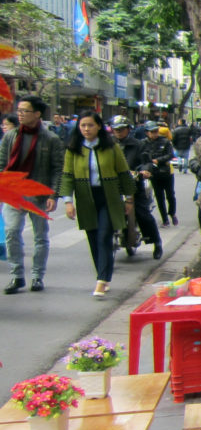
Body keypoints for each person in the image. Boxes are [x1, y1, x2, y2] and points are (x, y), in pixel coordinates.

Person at [59, 111, 135, 298]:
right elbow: (67, 176)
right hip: (86, 198)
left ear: (99, 126)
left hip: (108, 197)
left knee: (103, 237)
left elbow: (124, 172)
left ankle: (102, 280)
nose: (86, 129)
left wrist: (129, 198)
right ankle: (103, 274)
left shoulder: (111, 147)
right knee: (93, 238)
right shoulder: (73, 148)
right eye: (83, 125)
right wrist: (68, 201)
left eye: (90, 125)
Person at [0, 96, 65, 293]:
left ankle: (37, 275)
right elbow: (2, 163)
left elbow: (57, 169)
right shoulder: (10, 137)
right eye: (18, 110)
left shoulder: (51, 139)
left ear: (37, 114)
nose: (20, 114)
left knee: (40, 237)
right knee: (11, 233)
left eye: (24, 111)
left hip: (39, 195)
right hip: (14, 193)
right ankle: (17, 275)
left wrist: (53, 196)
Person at [110, 116, 163, 259]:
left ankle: (156, 242)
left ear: (128, 129)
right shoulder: (108, 145)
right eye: (116, 130)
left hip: (133, 185)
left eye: (121, 129)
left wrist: (144, 170)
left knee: (142, 213)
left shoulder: (139, 145)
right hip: (112, 186)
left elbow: (146, 161)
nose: (118, 132)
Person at [141, 120, 177, 226]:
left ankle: (172, 213)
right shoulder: (143, 143)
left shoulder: (165, 141)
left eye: (156, 131)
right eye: (152, 132)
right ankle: (164, 219)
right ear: (147, 133)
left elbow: (171, 154)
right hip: (154, 173)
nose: (155, 134)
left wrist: (158, 160)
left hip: (166, 172)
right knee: (159, 196)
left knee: (170, 195)